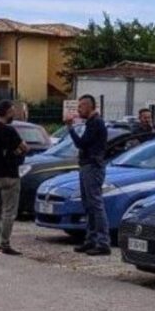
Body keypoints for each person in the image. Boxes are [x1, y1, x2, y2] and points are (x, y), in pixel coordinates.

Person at [66, 94, 111, 256]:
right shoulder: (91, 123)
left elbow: (81, 143)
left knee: (95, 204)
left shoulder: (96, 123)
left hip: (93, 166)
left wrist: (70, 128)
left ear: (89, 106)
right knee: (88, 205)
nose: (79, 110)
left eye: (81, 107)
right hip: (87, 166)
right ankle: (91, 239)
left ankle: (102, 242)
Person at [0, 100, 28, 255]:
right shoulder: (9, 131)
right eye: (13, 112)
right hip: (9, 175)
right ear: (8, 112)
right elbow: (24, 147)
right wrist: (18, 151)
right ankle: (5, 243)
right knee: (9, 211)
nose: (14, 115)